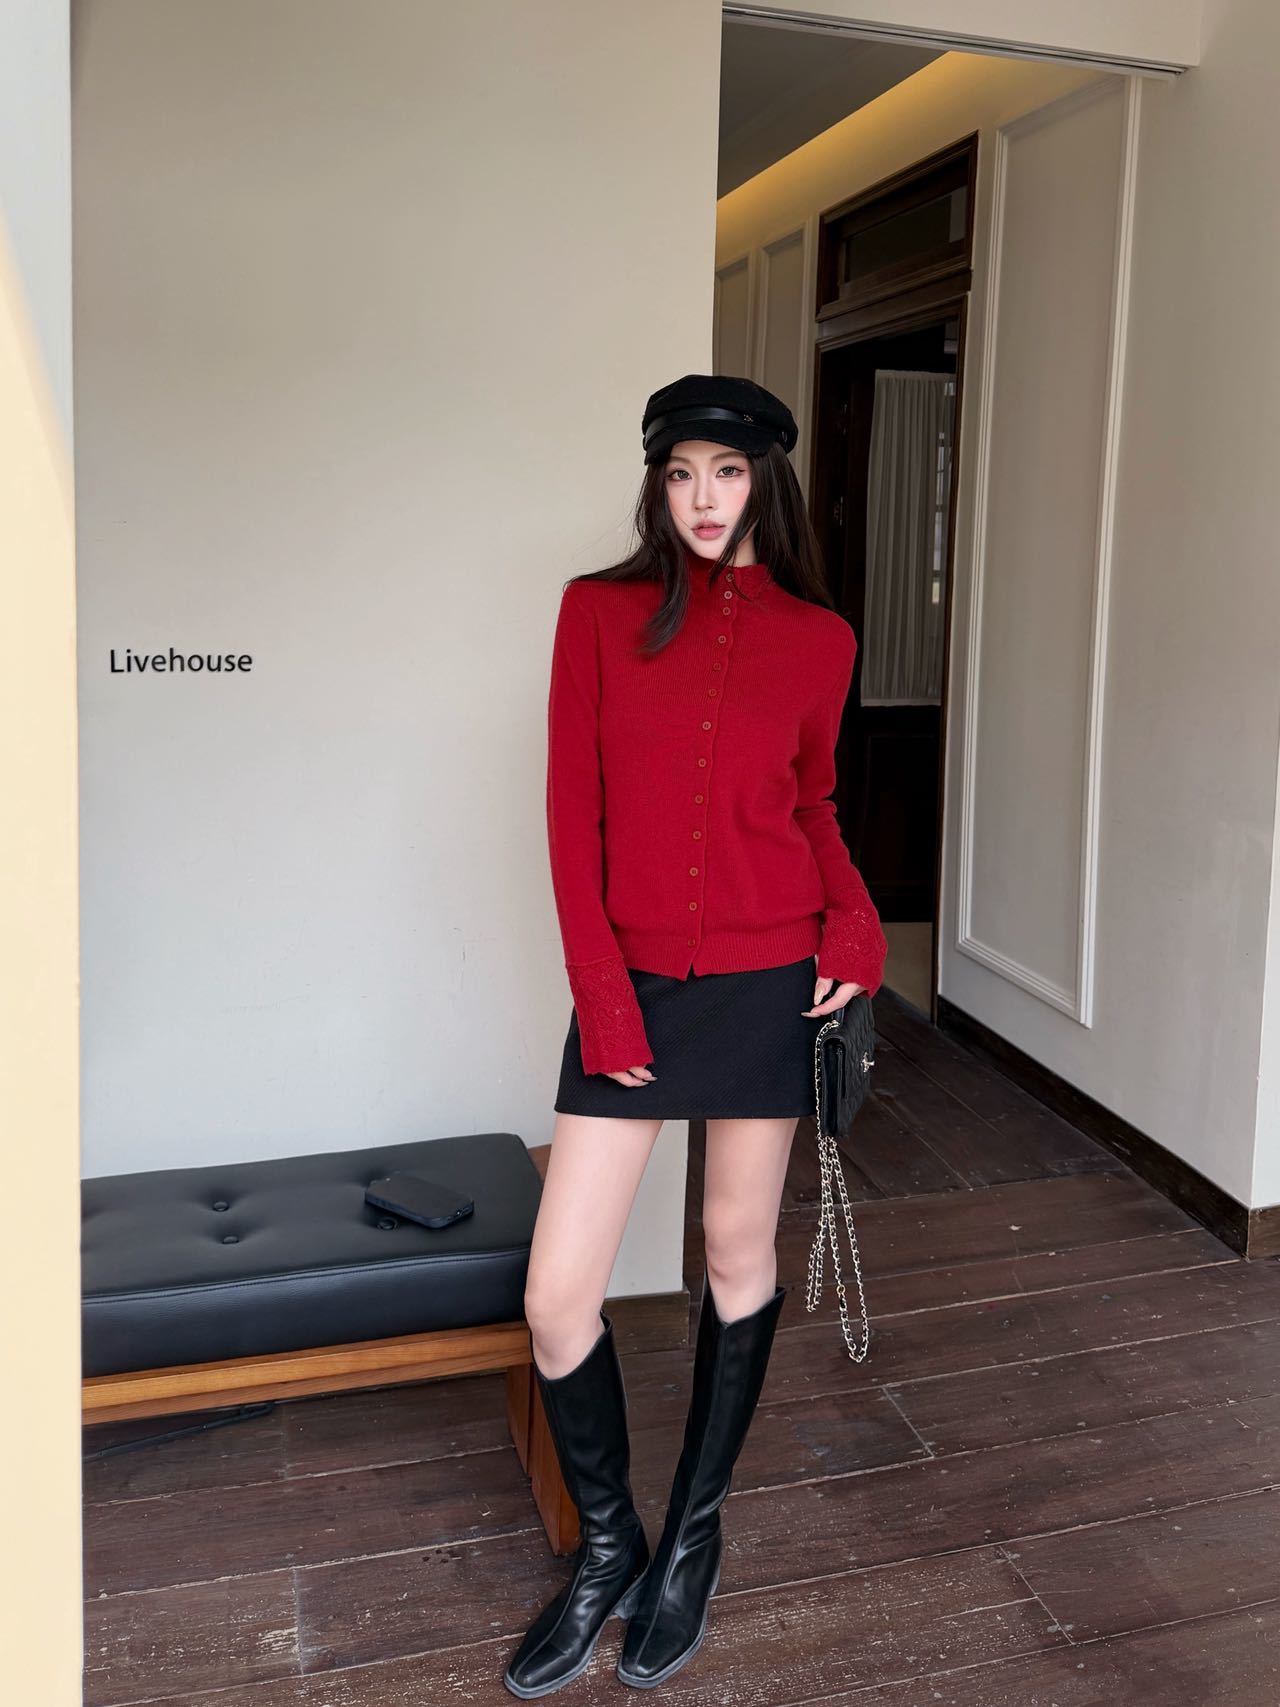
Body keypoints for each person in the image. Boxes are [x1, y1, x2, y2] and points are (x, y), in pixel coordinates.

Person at [503, 373, 888, 1698]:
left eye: (725, 473)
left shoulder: (821, 640)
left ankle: (693, 1538)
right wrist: (603, 996)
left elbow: (814, 806)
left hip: (771, 978)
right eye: (680, 474)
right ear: (656, 487)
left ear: (765, 480)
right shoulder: (596, 615)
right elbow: (571, 820)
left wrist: (856, 924)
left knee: (734, 1250)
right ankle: (611, 1545)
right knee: (559, 1294)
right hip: (634, 989)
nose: (702, 499)